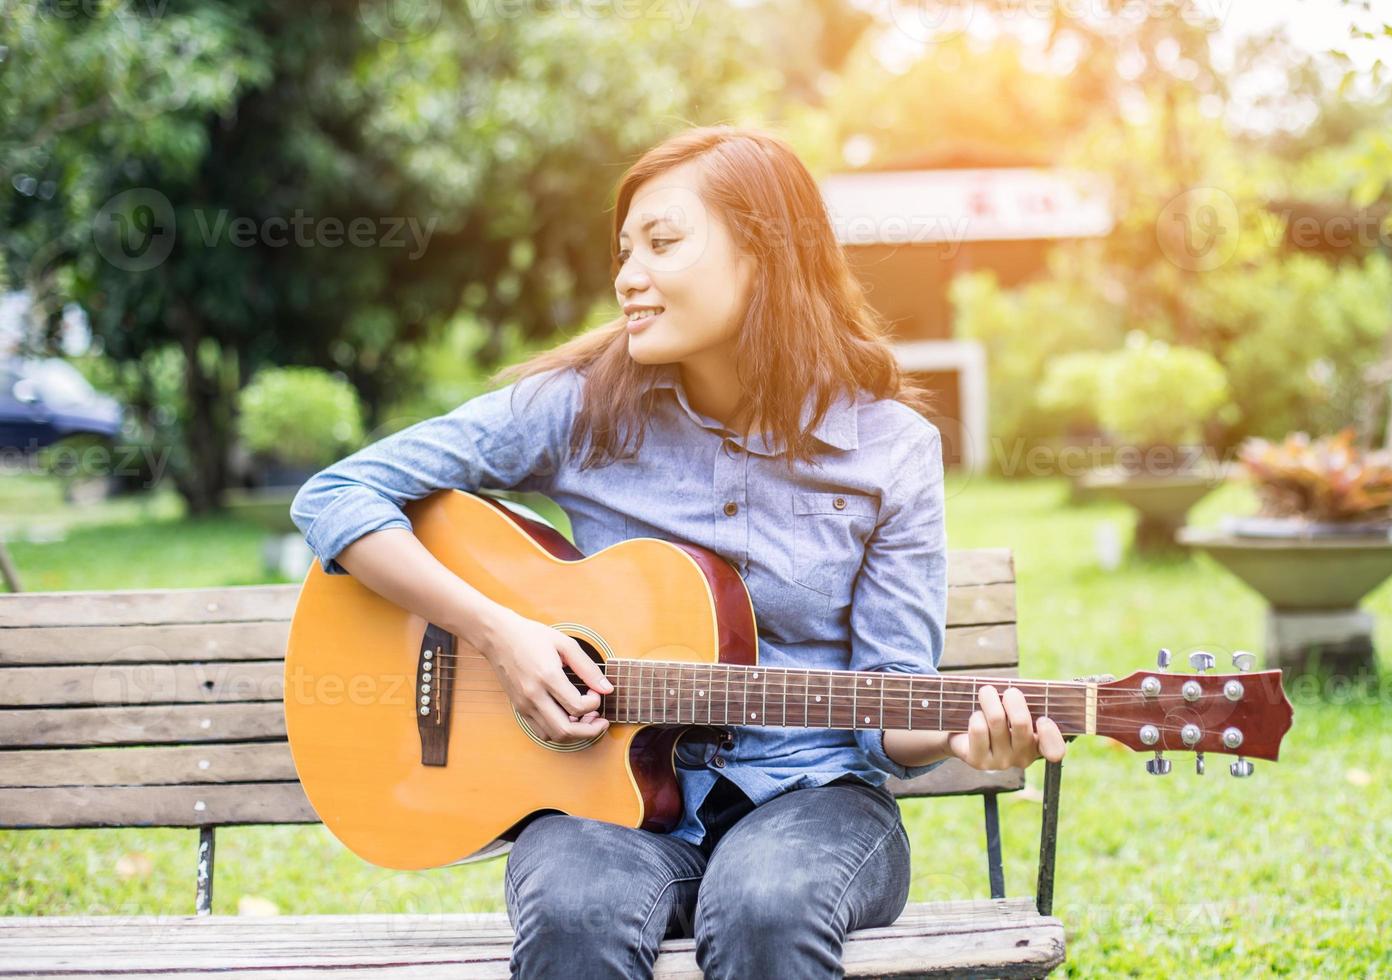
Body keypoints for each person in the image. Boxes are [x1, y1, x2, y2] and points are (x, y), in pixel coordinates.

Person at [289, 125, 1066, 980]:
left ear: (764, 257)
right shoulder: (579, 409)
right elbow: (336, 495)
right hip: (601, 803)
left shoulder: (890, 450)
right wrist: (498, 634)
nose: (627, 276)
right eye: (624, 250)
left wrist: (965, 738)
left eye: (662, 244)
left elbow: (889, 716)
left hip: (811, 802)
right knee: (574, 915)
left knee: (766, 910)